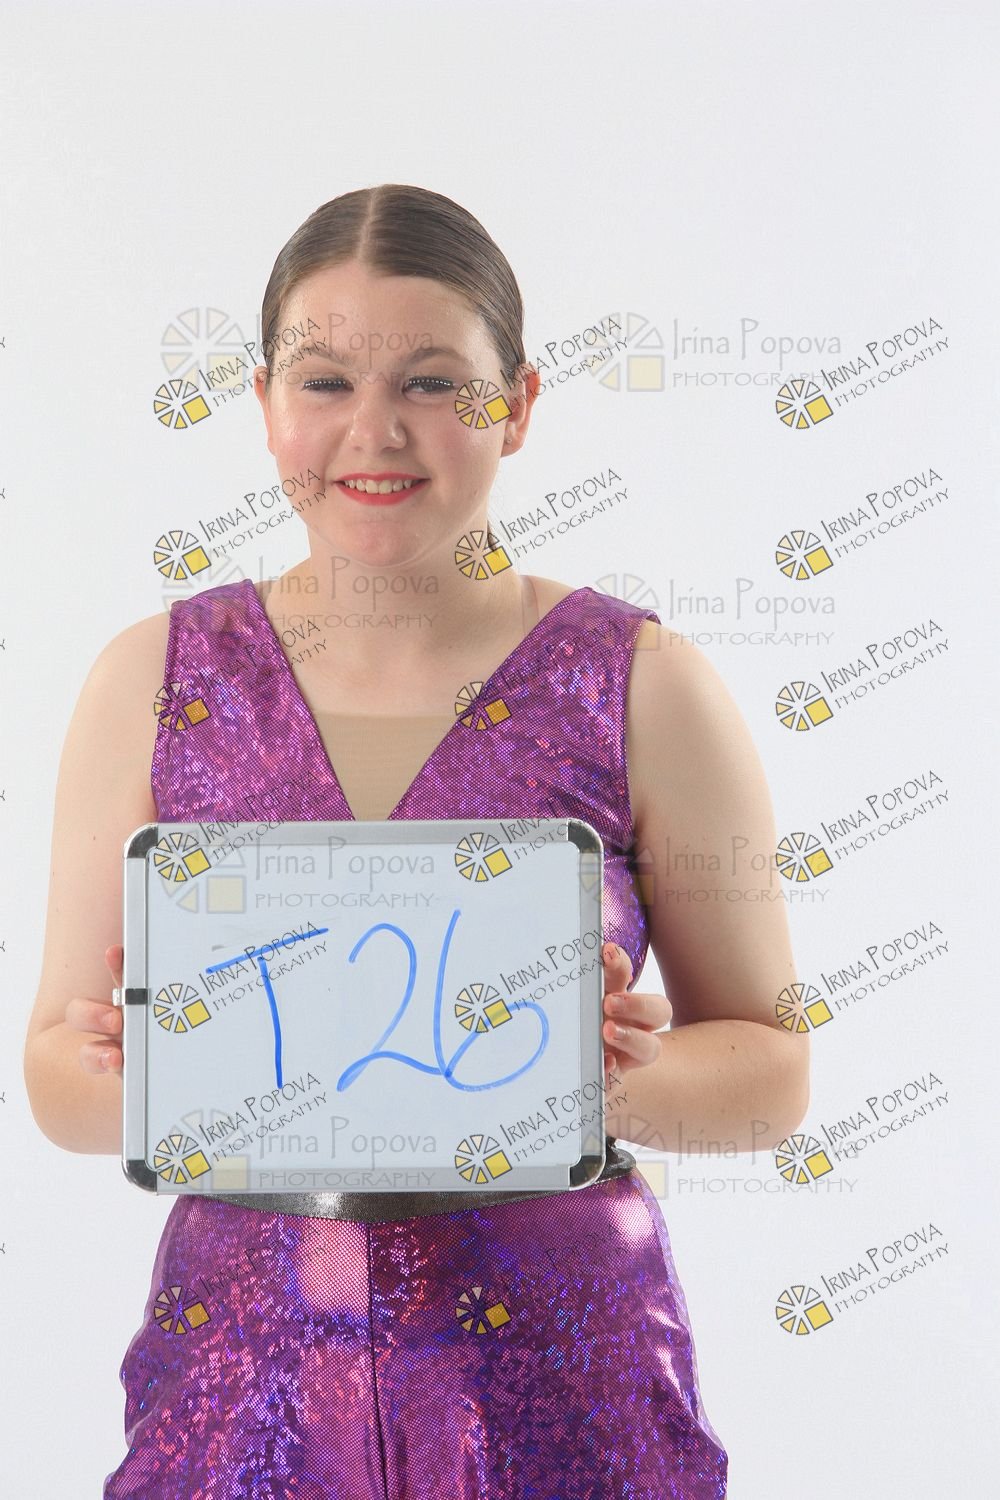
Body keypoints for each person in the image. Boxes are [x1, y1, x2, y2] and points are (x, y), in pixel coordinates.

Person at [24, 184, 809, 1499]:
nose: (375, 431)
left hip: (563, 1379)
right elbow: (58, 1071)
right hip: (244, 1380)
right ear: (264, 399)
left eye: (435, 382)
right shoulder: (152, 678)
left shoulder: (642, 683)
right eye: (325, 380)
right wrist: (163, 1067)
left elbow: (772, 1074)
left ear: (521, 403)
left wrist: (579, 1083)